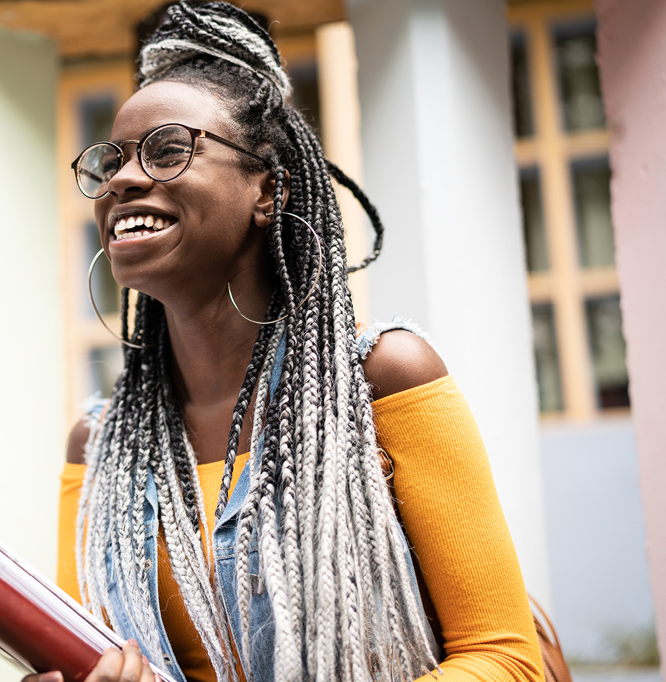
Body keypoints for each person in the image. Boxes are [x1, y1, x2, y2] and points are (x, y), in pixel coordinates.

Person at [27, 3, 545, 681]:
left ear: (268, 191)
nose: (122, 180)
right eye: (112, 161)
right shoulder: (95, 446)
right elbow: (86, 654)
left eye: (167, 150)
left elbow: (505, 659)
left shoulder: (384, 378)